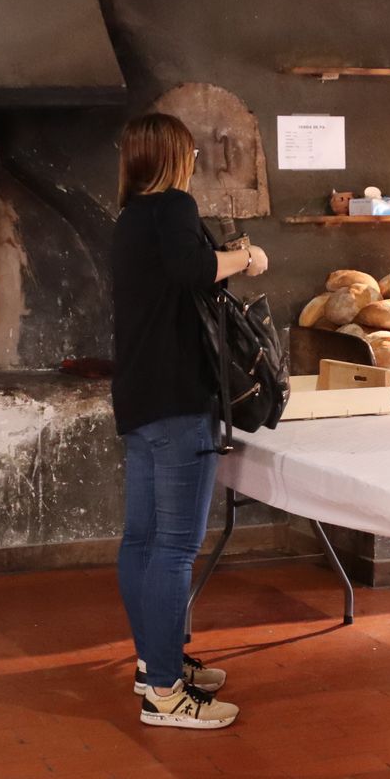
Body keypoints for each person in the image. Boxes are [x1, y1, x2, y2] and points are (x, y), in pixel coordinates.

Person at [111, 113, 268, 730]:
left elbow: (176, 272)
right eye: (191, 153)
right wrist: (247, 256)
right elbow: (192, 270)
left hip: (139, 397)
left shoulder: (129, 218)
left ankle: (154, 664)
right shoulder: (172, 206)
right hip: (178, 400)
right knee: (175, 547)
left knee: (142, 541)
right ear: (175, 158)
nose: (196, 161)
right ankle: (165, 693)